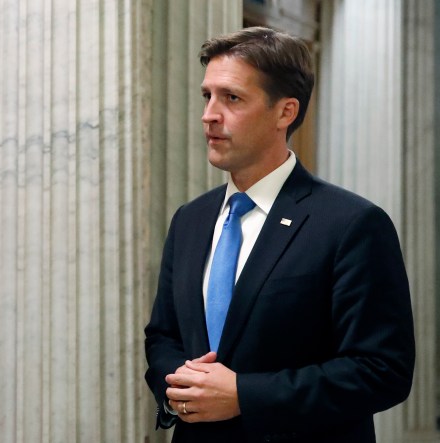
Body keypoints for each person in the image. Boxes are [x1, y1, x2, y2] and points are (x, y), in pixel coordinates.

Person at [144, 26, 415, 442]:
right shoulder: (191, 219)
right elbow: (163, 336)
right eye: (207, 95)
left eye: (231, 98)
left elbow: (381, 370)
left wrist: (244, 395)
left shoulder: (352, 224)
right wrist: (178, 389)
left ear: (285, 112)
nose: (209, 114)